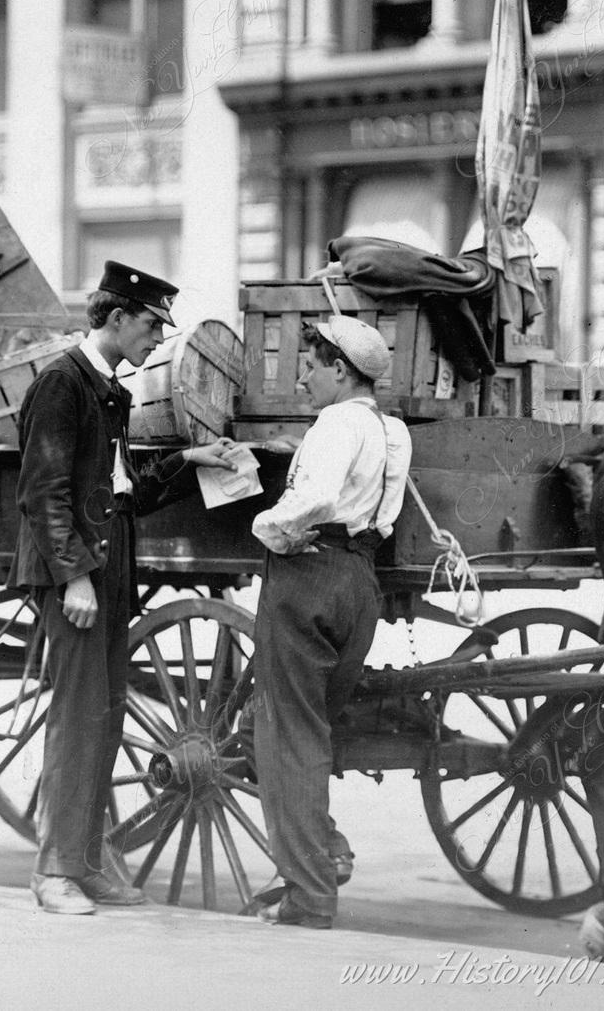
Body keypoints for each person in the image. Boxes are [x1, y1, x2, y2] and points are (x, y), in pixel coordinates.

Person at [16, 260, 238, 915]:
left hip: (109, 564)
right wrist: (75, 576)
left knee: (106, 717)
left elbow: (122, 492)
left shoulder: (109, 390)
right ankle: (55, 870)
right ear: (116, 318)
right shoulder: (61, 384)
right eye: (150, 325)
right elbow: (42, 493)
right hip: (77, 572)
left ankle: (86, 861)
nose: (158, 339)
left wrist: (185, 463)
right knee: (76, 718)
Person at [250, 315, 412, 929]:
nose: (304, 377)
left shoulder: (335, 422)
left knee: (289, 738)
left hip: (307, 579)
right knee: (314, 732)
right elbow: (384, 511)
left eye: (311, 366)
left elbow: (315, 500)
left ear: (340, 370)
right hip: (358, 584)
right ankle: (322, 856)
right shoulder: (390, 430)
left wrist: (267, 527)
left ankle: (310, 897)